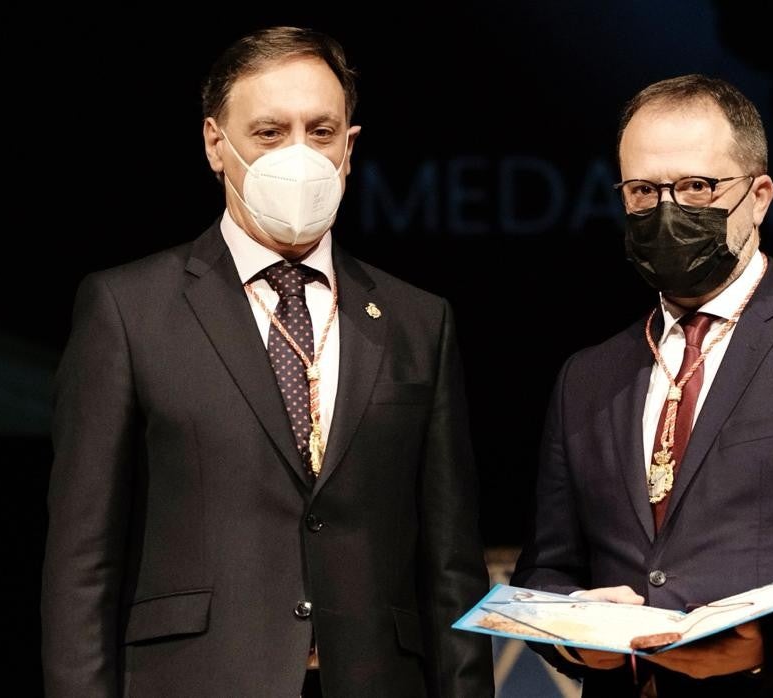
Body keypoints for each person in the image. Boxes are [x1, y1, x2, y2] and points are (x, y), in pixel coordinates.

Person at [41, 26, 494, 698]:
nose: (299, 155)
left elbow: (450, 566)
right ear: (214, 145)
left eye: (320, 131)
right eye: (269, 133)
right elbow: (84, 561)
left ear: (350, 146)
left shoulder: (418, 321)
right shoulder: (128, 309)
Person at [511, 73, 773, 696]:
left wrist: (762, 645)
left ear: (759, 196)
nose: (668, 211)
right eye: (644, 192)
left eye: (698, 186)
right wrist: (577, 639)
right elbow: (548, 567)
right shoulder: (588, 376)